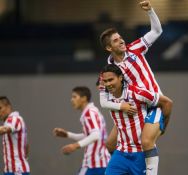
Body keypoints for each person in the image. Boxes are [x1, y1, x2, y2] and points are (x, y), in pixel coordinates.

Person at [99, 1, 171, 174]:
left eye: (120, 37)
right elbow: (103, 100)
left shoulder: (135, 48)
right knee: (109, 144)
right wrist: (121, 106)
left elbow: (157, 31)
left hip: (152, 103)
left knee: (146, 142)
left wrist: (150, 11)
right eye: (116, 40)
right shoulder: (110, 71)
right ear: (109, 48)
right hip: (133, 107)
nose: (121, 40)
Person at [100, 64, 172, 175]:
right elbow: (103, 102)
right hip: (121, 153)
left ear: (120, 77)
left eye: (111, 80)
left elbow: (167, 102)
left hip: (140, 154)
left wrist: (163, 128)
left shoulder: (136, 93)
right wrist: (121, 106)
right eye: (105, 81)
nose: (108, 84)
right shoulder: (106, 97)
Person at [53, 87, 110, 175]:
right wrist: (68, 135)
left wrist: (75, 146)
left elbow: (96, 135)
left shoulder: (89, 113)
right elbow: (90, 135)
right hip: (102, 162)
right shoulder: (93, 111)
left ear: (84, 98)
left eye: (74, 97)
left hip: (94, 164)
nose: (71, 100)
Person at [0, 96, 30, 175]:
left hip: (17, 171)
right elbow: (26, 146)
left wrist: (19, 164)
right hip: (13, 171)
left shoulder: (14, 118)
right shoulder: (10, 121)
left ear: (8, 106)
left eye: (0, 108)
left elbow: (4, 129)